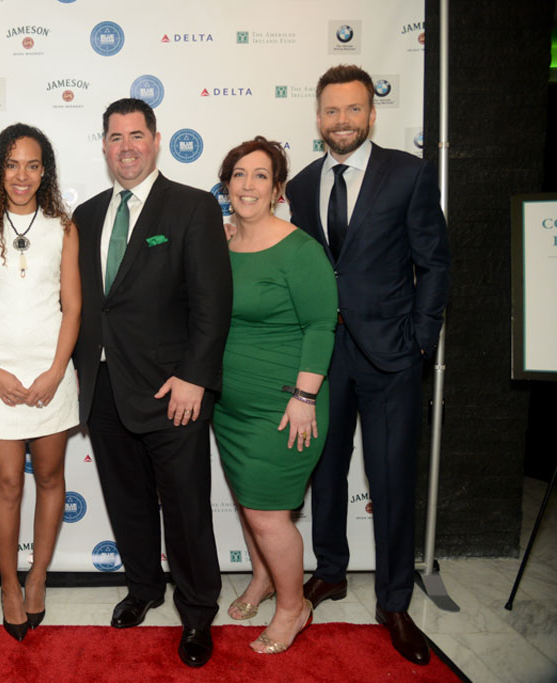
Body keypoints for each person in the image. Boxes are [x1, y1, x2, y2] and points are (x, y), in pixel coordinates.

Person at [285, 64, 450, 665]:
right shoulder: (302, 184)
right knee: (325, 469)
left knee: (391, 478)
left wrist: (421, 340)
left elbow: (435, 262)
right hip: (324, 357)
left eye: (353, 109)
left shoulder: (407, 174)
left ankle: (394, 600)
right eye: (332, 110)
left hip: (391, 355)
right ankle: (331, 571)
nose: (342, 120)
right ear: (318, 118)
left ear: (372, 114)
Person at [72, 98, 233, 667]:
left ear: (156, 140)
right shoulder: (86, 214)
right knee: (127, 501)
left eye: (136, 135)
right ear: (104, 146)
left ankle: (198, 612)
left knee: (186, 508)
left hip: (173, 392)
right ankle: (143, 588)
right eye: (115, 137)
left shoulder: (191, 207)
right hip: (103, 387)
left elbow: (213, 303)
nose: (126, 148)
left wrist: (194, 377)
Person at [212, 137, 338, 654]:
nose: (248, 185)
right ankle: (263, 579)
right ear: (226, 186)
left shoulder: (299, 249)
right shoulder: (220, 245)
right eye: (239, 175)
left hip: (285, 405)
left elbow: (321, 326)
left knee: (269, 514)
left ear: (278, 189)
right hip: (229, 407)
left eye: (260, 175)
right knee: (250, 504)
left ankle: (293, 606)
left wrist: (304, 397)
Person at [0, 123, 80, 641]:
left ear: (44, 171)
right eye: (11, 165)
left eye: (32, 165)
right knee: (7, 485)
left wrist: (55, 371)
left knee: (50, 478)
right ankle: (8, 586)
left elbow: (73, 306)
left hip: (52, 372)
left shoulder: (63, 227)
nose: (21, 175)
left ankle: (38, 577)